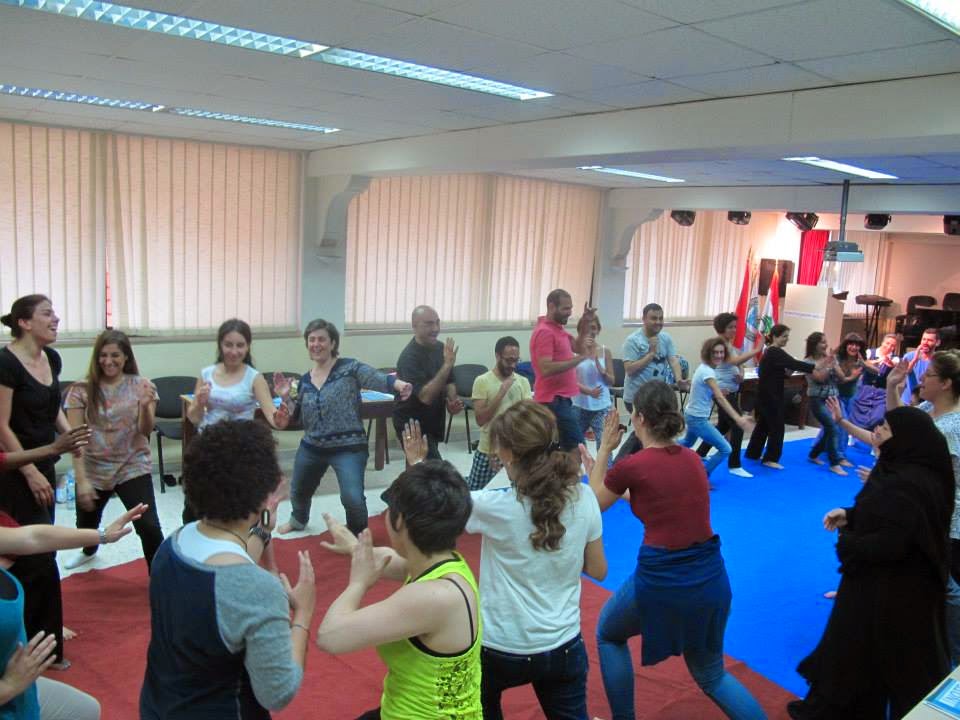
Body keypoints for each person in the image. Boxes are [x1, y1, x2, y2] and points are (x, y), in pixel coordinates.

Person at [586, 382, 766, 720]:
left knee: (608, 634)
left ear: (639, 418)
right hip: (712, 578)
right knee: (712, 676)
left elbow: (593, 503)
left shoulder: (633, 465)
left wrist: (604, 450)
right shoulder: (693, 460)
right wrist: (607, 475)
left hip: (663, 580)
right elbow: (652, 496)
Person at [140, 420, 315, 719]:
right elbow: (277, 693)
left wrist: (263, 526)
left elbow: (228, 567)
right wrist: (303, 613)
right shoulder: (257, 588)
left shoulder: (172, 545)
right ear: (263, 494)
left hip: (157, 706)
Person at [788, 406, 954, 719]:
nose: (877, 431)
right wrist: (851, 515)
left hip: (888, 593)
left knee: (873, 661)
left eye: (885, 428)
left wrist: (847, 542)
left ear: (904, 439)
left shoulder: (906, 484)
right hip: (895, 589)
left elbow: (891, 543)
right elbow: (886, 517)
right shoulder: (906, 472)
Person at [464, 401, 605, 719]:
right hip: (563, 644)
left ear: (509, 454)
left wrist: (417, 462)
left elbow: (429, 503)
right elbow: (598, 569)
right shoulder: (584, 497)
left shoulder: (491, 506)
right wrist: (564, 550)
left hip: (500, 646)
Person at [316, 461, 481, 719]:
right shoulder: (449, 565)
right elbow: (391, 560)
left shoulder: (432, 598)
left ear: (400, 521)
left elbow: (329, 637)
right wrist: (355, 547)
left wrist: (358, 584)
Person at [0, 489, 145, 720]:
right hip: (9, 689)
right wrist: (8, 686)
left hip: (17, 685)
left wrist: (103, 535)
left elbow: (33, 537)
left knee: (85, 710)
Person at [275, 319, 412, 536]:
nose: (316, 344)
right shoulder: (304, 381)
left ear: (332, 343)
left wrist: (397, 385)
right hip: (312, 447)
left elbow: (374, 377)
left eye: (321, 339)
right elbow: (298, 415)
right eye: (311, 340)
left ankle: (357, 533)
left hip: (349, 447)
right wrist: (285, 398)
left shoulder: (349, 368)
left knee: (352, 497)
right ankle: (298, 520)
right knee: (299, 490)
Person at [0, 295, 74, 668]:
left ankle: (40, 633)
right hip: (14, 471)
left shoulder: (52, 359)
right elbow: (1, 425)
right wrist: (28, 471)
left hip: (45, 463)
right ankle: (38, 646)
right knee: (35, 557)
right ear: (25, 322)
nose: (55, 318)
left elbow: (53, 406)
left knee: (45, 551)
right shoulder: (6, 362)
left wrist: (73, 436)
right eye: (47, 313)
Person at [62, 330, 164, 571]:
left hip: (132, 465)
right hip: (94, 467)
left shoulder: (143, 386)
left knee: (149, 526)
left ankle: (161, 575)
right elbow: (76, 439)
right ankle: (89, 551)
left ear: (126, 356)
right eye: (103, 355)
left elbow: (145, 431)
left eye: (115, 355)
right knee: (85, 526)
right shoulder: (80, 389)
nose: (108, 361)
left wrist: (145, 406)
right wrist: (82, 480)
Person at [185, 318, 290, 432]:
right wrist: (200, 403)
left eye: (240, 345)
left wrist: (280, 419)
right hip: (210, 439)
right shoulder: (206, 374)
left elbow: (273, 416)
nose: (234, 352)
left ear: (247, 346)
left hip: (241, 440)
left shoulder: (255, 378)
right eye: (228, 345)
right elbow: (194, 419)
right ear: (220, 345)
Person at [392, 306, 462, 461]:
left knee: (417, 465)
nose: (435, 328)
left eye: (437, 323)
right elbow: (425, 397)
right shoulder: (408, 358)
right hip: (411, 423)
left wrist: (452, 400)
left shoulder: (440, 348)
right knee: (433, 468)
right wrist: (447, 365)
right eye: (429, 324)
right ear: (414, 326)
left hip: (433, 419)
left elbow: (449, 380)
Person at [744, 324, 818, 470]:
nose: (786, 339)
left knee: (763, 426)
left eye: (787, 337)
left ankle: (753, 453)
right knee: (777, 428)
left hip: (766, 395)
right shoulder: (774, 352)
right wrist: (815, 367)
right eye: (784, 336)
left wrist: (788, 372)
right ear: (775, 337)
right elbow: (794, 363)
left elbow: (777, 372)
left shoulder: (771, 352)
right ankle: (770, 458)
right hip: (770, 396)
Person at [680, 337, 754, 478]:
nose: (719, 355)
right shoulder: (708, 372)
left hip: (692, 414)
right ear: (708, 353)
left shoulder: (705, 368)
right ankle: (702, 476)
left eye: (721, 352)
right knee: (726, 449)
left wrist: (716, 391)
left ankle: (660, 449)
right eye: (715, 352)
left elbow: (706, 390)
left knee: (686, 442)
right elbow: (720, 398)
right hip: (697, 418)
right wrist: (738, 418)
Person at [464, 336, 531, 491]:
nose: (513, 365)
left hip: (515, 447)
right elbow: (481, 420)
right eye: (508, 360)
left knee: (522, 490)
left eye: (516, 360)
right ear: (497, 356)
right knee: (473, 489)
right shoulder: (482, 381)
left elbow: (527, 417)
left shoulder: (522, 382)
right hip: (490, 448)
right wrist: (501, 392)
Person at [530, 290, 593, 451]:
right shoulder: (545, 332)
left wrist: (585, 322)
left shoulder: (558, 329)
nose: (569, 312)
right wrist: (579, 359)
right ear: (552, 307)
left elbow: (578, 347)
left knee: (563, 450)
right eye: (565, 308)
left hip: (561, 399)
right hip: (552, 400)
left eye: (570, 308)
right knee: (578, 449)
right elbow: (545, 368)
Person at [696, 313, 757, 478]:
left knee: (723, 426)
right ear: (722, 328)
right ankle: (734, 464)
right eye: (730, 327)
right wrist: (757, 350)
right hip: (723, 392)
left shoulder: (730, 345)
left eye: (735, 327)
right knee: (738, 425)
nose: (734, 330)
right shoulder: (720, 344)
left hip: (731, 389)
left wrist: (741, 374)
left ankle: (700, 453)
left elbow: (738, 364)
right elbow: (733, 361)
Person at [622, 303, 690, 414]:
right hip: (637, 397)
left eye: (660, 318)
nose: (658, 322)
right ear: (644, 319)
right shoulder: (632, 340)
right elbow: (629, 369)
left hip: (657, 396)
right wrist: (651, 354)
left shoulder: (666, 338)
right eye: (654, 318)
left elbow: (673, 361)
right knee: (649, 425)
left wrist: (678, 380)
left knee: (663, 423)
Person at [804, 332, 849, 476]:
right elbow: (819, 378)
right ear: (814, 344)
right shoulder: (808, 362)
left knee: (831, 428)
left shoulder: (830, 358)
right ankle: (834, 463)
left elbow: (842, 377)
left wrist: (833, 364)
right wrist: (829, 366)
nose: (826, 345)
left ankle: (813, 454)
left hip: (833, 398)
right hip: (817, 399)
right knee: (832, 428)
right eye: (822, 342)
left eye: (826, 341)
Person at [572, 312, 615, 452]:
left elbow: (611, 381)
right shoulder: (573, 352)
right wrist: (589, 392)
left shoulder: (605, 351)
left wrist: (602, 370)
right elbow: (570, 381)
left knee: (604, 446)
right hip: (579, 405)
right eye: (586, 328)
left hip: (602, 406)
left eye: (594, 328)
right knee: (575, 445)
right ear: (580, 330)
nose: (590, 332)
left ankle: (604, 468)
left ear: (598, 330)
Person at [848, 333, 899, 432]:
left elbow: (895, 364)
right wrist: (878, 360)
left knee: (878, 416)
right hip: (864, 389)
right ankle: (854, 434)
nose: (889, 347)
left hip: (881, 393)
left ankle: (872, 437)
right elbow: (862, 362)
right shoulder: (870, 352)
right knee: (856, 413)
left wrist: (890, 363)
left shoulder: (895, 358)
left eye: (893, 345)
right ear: (882, 342)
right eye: (887, 343)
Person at [830, 333, 866, 454]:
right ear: (845, 345)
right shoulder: (837, 359)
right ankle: (839, 454)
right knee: (841, 424)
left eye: (857, 345)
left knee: (842, 424)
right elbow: (839, 380)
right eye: (851, 344)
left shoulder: (860, 361)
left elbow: (876, 371)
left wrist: (865, 364)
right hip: (836, 396)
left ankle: (822, 449)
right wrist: (852, 376)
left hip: (851, 397)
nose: (854, 347)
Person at [899, 328, 941, 405]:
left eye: (930, 340)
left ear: (937, 343)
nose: (925, 342)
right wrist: (915, 359)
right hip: (906, 401)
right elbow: (904, 372)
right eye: (924, 339)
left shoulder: (938, 361)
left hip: (926, 404)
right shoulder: (909, 356)